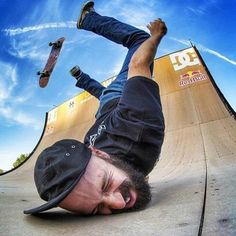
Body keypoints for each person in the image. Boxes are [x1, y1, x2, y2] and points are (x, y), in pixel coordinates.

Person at [24, 1, 167, 216]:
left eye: (106, 184)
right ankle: (81, 77)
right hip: (103, 116)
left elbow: (138, 64)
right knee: (101, 95)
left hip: (118, 100)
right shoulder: (89, 157)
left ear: (98, 153)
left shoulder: (140, 122)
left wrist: (156, 36)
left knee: (140, 40)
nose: (118, 204)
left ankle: (89, 20)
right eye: (98, 209)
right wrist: (133, 179)